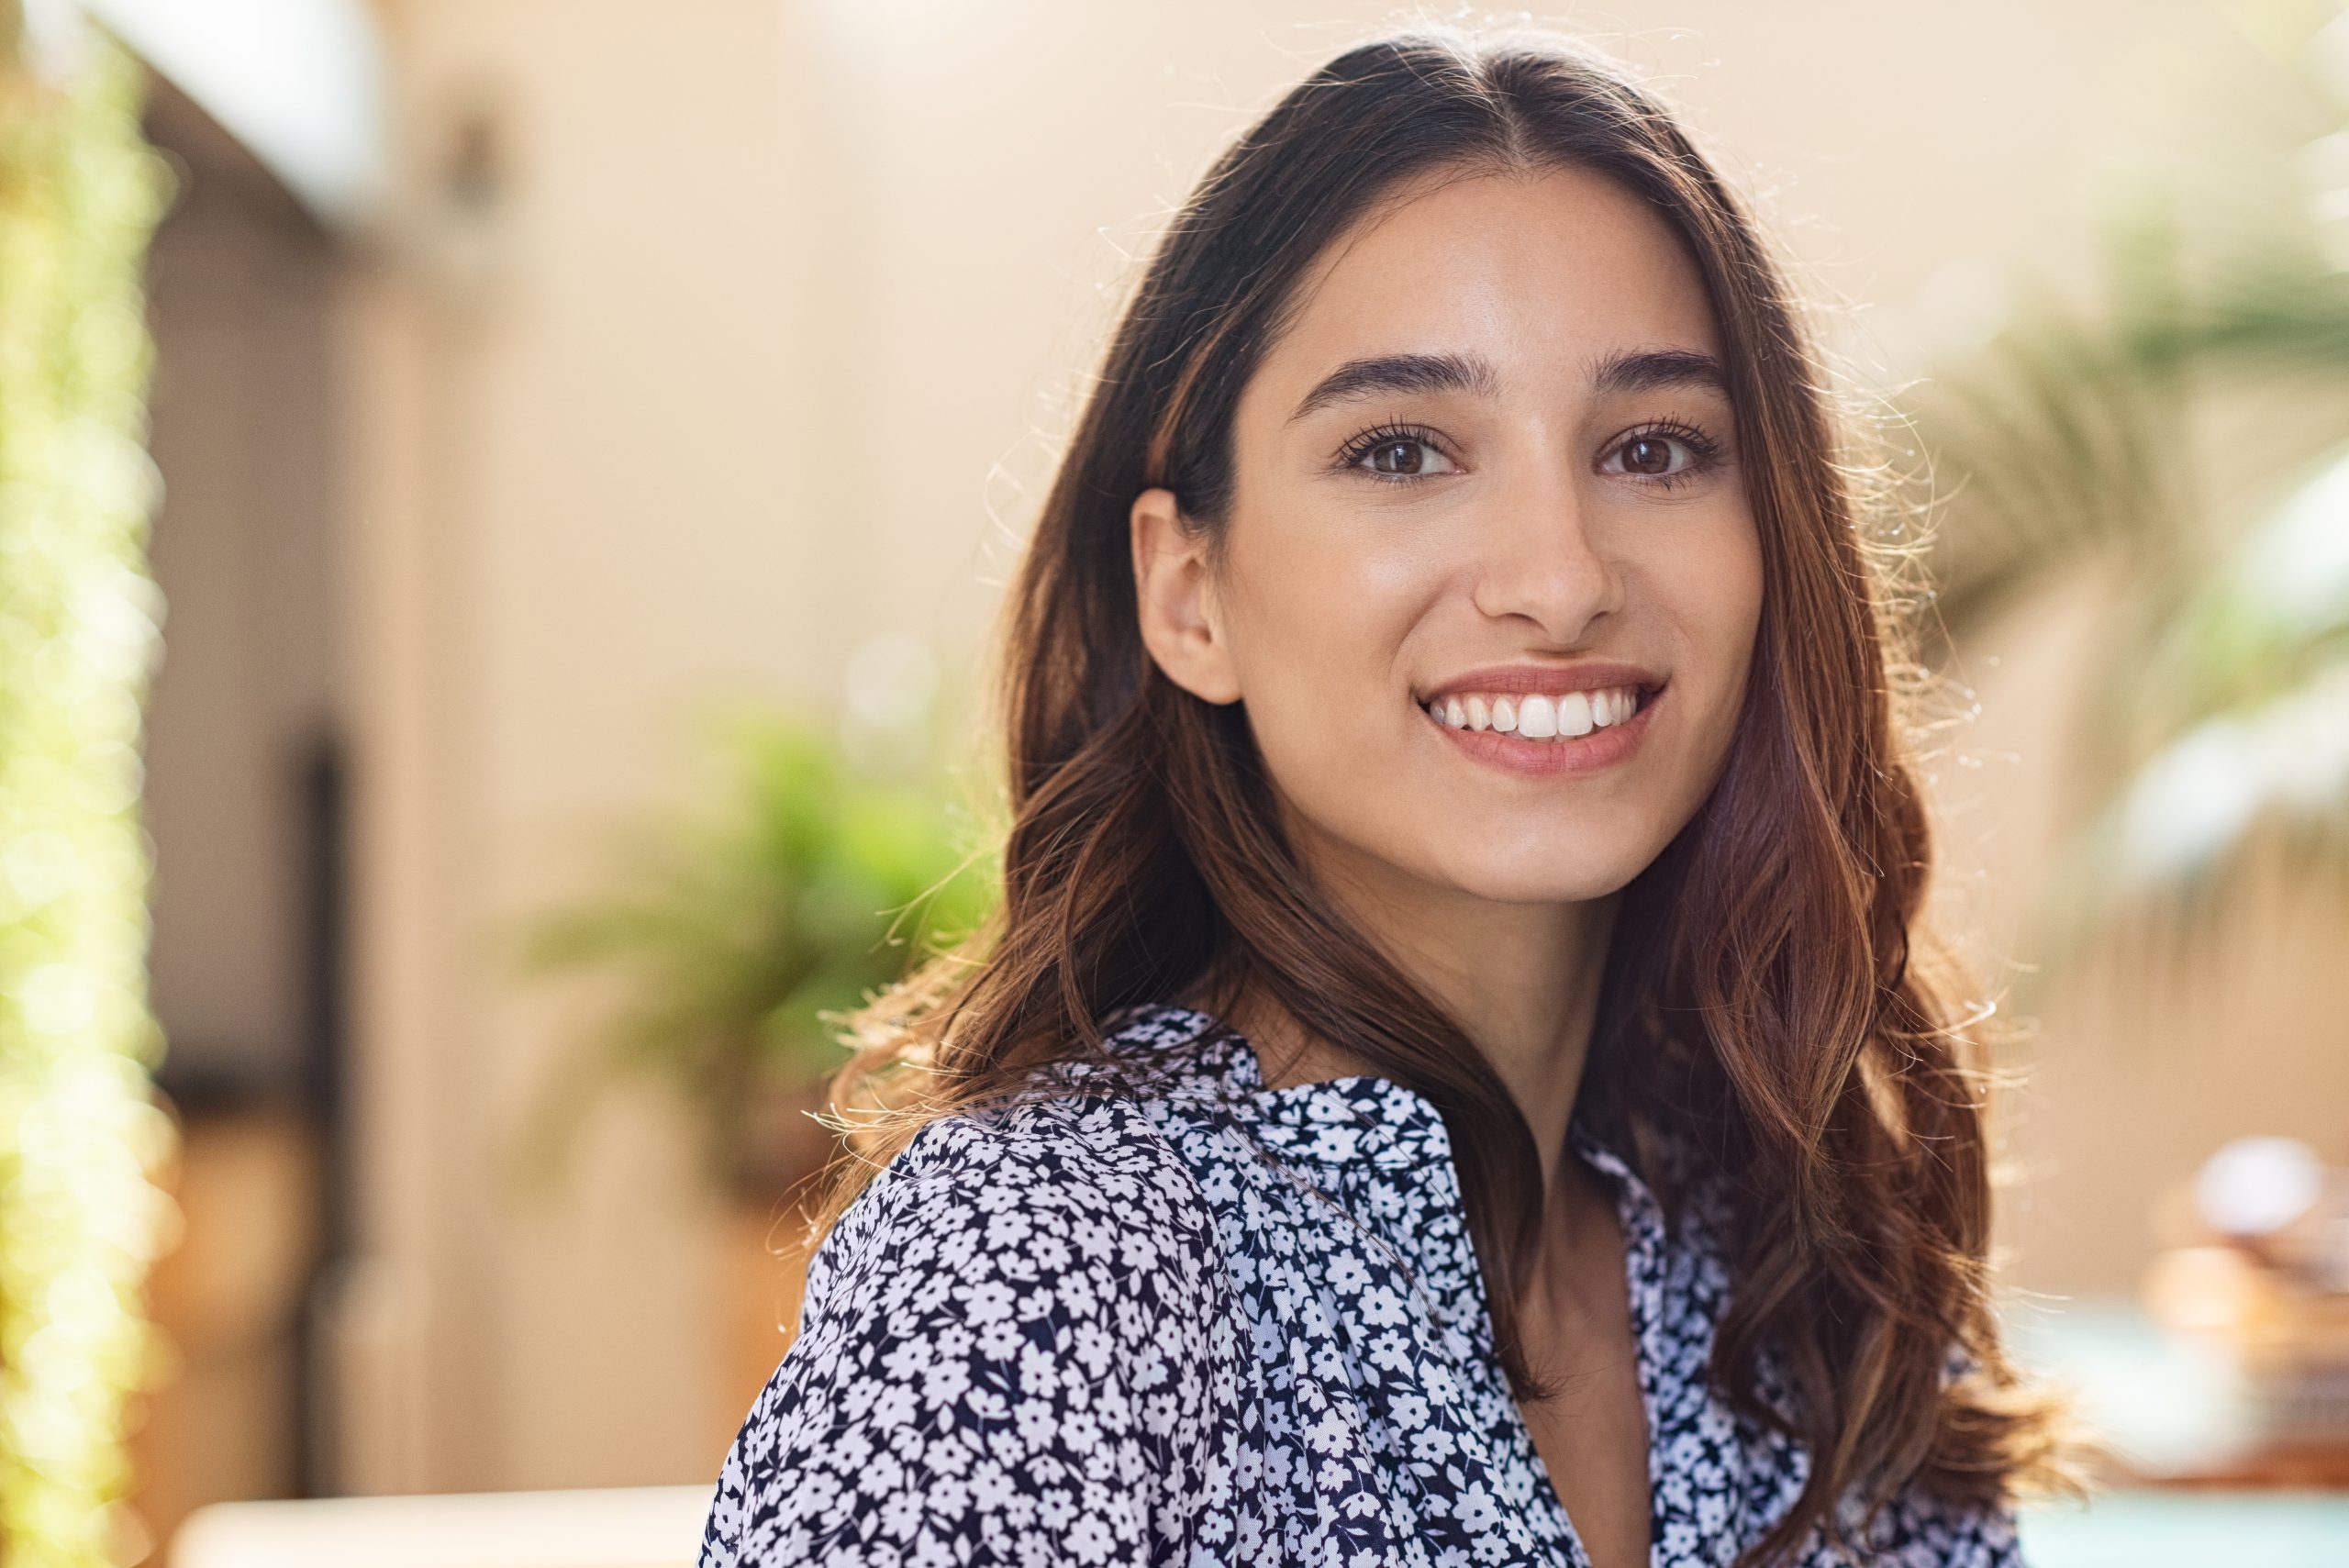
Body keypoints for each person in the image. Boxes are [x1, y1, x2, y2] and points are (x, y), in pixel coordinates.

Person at [696, 25, 2070, 1568]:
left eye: (1656, 446)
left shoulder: (1812, 1264)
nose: (1559, 579)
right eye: (1404, 448)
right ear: (1191, 590)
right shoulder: (1034, 1272)